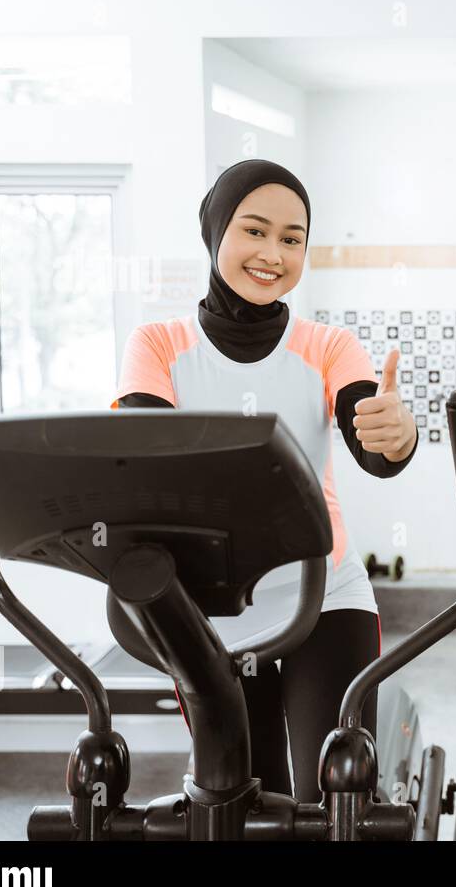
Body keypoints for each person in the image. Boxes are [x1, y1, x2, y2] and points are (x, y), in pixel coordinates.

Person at [110, 158, 418, 802]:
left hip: (323, 592)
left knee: (334, 794)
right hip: (210, 604)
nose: (272, 252)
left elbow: (374, 446)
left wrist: (395, 435)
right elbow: (145, 454)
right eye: (254, 230)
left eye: (292, 238)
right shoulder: (159, 345)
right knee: (241, 800)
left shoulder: (329, 346)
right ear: (216, 233)